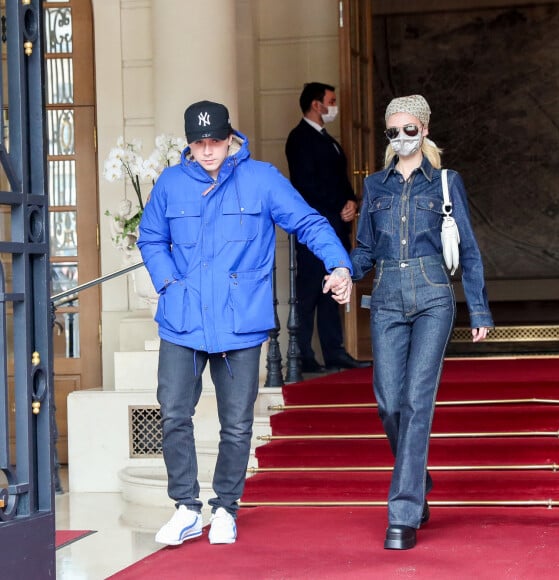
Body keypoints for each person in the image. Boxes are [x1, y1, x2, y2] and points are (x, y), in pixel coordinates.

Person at [137, 100, 353, 546]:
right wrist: (168, 284)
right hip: (182, 319)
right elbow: (151, 236)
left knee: (236, 423)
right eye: (199, 143)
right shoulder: (172, 183)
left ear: (230, 136)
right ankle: (185, 507)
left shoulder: (262, 179)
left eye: (215, 140)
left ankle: (225, 508)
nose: (208, 150)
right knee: (175, 413)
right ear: (189, 144)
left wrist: (339, 264)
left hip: (241, 321)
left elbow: (309, 222)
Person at [350, 95, 494, 550]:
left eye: (409, 130)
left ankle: (403, 512)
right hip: (388, 295)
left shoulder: (447, 183)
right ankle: (419, 478)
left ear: (425, 130)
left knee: (416, 402)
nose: (401, 138)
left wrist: (480, 308)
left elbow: (467, 249)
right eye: (393, 132)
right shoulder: (375, 186)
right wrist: (342, 272)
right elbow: (363, 250)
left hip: (434, 295)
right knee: (389, 402)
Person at [285, 82, 371, 372]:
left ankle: (334, 351)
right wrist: (336, 206)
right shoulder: (299, 138)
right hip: (314, 229)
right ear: (315, 104)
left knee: (332, 290)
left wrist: (351, 201)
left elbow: (339, 179)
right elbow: (306, 186)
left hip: (336, 226)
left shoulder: (328, 139)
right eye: (331, 101)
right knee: (309, 291)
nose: (334, 107)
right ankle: (304, 356)